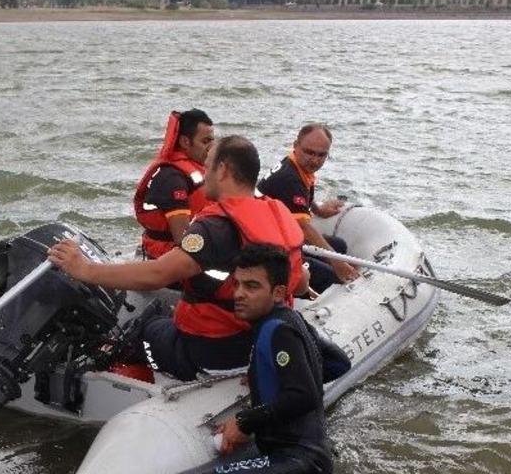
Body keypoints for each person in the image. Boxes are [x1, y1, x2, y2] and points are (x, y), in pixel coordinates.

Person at [49, 135, 306, 381]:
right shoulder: (276, 213)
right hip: (262, 340)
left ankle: (117, 376)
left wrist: (83, 269)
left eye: (207, 168)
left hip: (217, 349)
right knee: (167, 312)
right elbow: (302, 281)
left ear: (223, 170)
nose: (204, 176)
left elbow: (157, 275)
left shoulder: (215, 228)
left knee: (144, 327)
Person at [185, 244, 334, 474]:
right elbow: (339, 363)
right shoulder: (292, 319)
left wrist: (245, 421)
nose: (239, 294)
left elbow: (305, 396)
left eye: (252, 286)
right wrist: (276, 373)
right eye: (237, 284)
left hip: (298, 460)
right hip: (295, 453)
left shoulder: (276, 330)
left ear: (278, 292)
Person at [257, 123, 359, 293]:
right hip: (269, 247)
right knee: (333, 277)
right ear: (296, 146)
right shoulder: (290, 179)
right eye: (309, 152)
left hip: (282, 235)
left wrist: (319, 210)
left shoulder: (295, 164)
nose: (315, 160)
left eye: (322, 155)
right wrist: (338, 264)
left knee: (339, 245)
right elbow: (303, 228)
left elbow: (300, 199)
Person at [134, 109, 215, 260]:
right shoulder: (173, 179)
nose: (212, 147)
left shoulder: (196, 169)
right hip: (167, 257)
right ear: (185, 142)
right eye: (205, 142)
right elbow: (182, 239)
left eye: (212, 140)